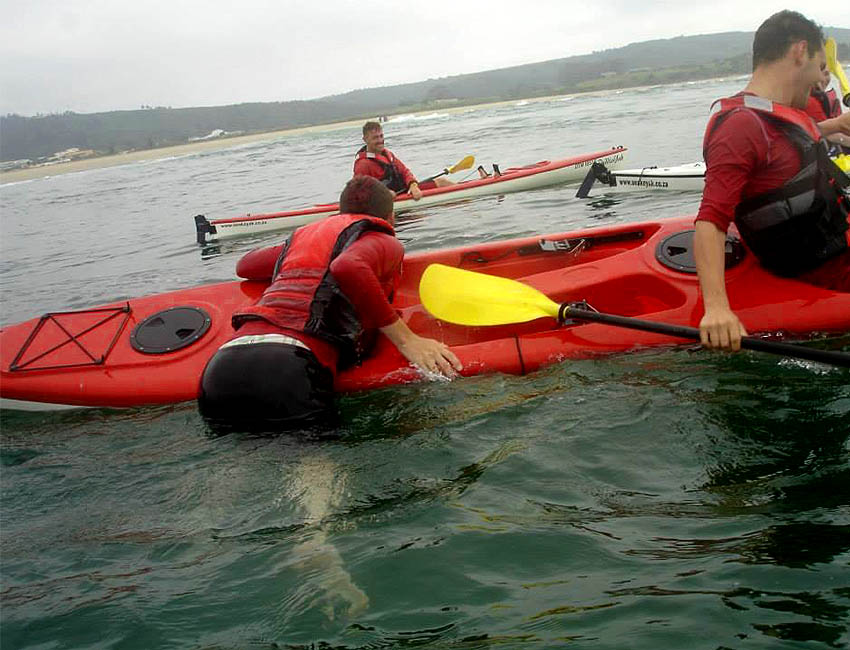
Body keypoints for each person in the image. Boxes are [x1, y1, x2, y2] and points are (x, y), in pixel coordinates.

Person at [198, 175, 462, 431]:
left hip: (220, 371)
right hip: (287, 369)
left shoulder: (304, 236)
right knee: (318, 469)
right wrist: (407, 340)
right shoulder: (383, 239)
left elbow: (245, 265)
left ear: (340, 210)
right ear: (390, 218)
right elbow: (348, 266)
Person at [694, 10, 850, 353]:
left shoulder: (778, 113)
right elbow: (710, 220)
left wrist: (836, 125)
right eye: (818, 65)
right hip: (826, 275)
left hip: (836, 241)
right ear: (799, 51)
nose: (820, 78)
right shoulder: (740, 126)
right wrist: (717, 308)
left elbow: (791, 146)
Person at [353, 121, 455, 200]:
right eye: (375, 138)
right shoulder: (363, 164)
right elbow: (360, 191)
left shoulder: (388, 155)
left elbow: (405, 172)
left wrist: (413, 185)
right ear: (365, 139)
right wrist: (384, 194)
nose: (380, 140)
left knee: (441, 182)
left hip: (405, 191)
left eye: (381, 136)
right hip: (389, 200)